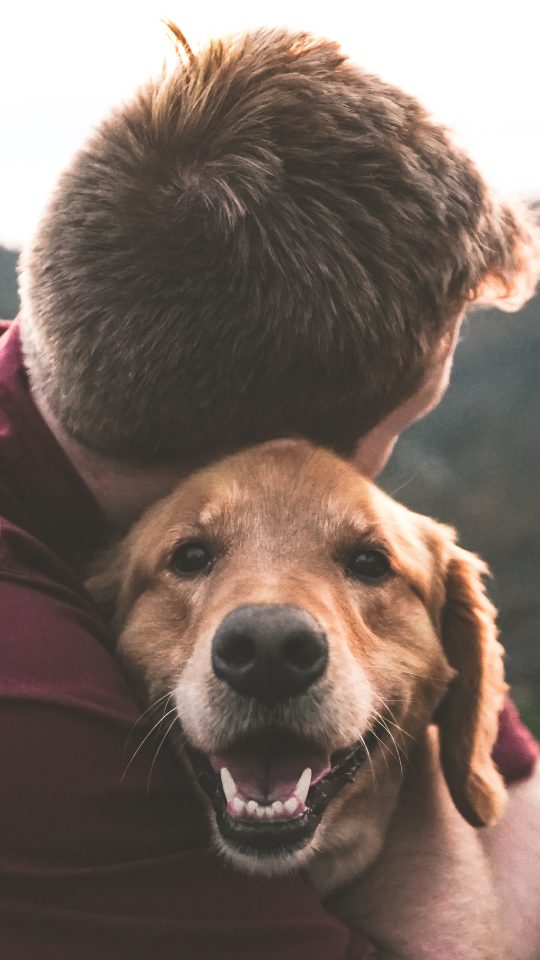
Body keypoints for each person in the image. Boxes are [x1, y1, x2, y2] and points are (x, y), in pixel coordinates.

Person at [1, 26, 538, 960]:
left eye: (362, 552)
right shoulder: (32, 698)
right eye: (398, 428)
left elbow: (513, 788)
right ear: (278, 445)